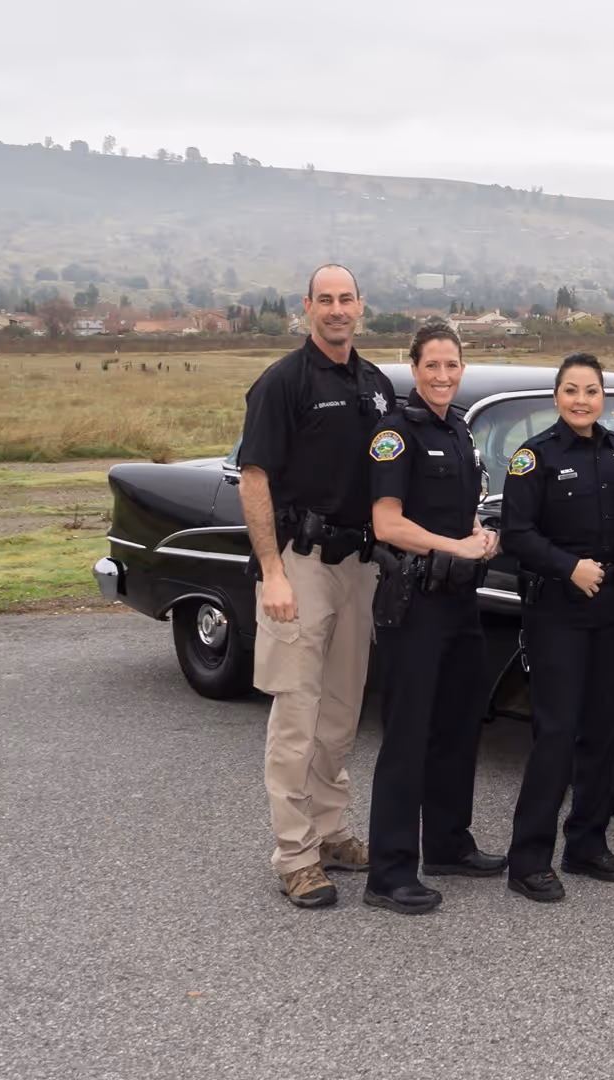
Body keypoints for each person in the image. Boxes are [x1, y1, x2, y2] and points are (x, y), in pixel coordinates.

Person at [237, 264, 395, 909]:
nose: (336, 309)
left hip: (359, 563)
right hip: (299, 565)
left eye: (346, 299)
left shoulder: (376, 385)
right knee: (297, 716)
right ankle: (296, 855)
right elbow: (254, 479)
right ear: (307, 308)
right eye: (324, 300)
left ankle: (331, 833)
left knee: (339, 715)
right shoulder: (283, 382)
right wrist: (273, 572)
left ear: (362, 306)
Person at [363, 324, 504, 914]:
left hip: (458, 602)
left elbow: (460, 511)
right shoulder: (396, 434)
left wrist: (479, 537)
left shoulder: (460, 430)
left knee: (457, 726)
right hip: (415, 604)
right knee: (408, 736)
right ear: (414, 368)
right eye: (432, 366)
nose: (443, 375)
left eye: (452, 365)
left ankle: (448, 843)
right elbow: (387, 524)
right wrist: (452, 547)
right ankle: (389, 873)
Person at [500, 354, 614, 903]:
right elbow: (516, 533)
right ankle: (528, 859)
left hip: (613, 609)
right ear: (556, 396)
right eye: (572, 390)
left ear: (604, 397)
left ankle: (586, 843)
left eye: (592, 391)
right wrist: (567, 566)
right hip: (558, 609)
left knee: (607, 731)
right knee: (556, 734)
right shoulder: (535, 458)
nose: (582, 400)